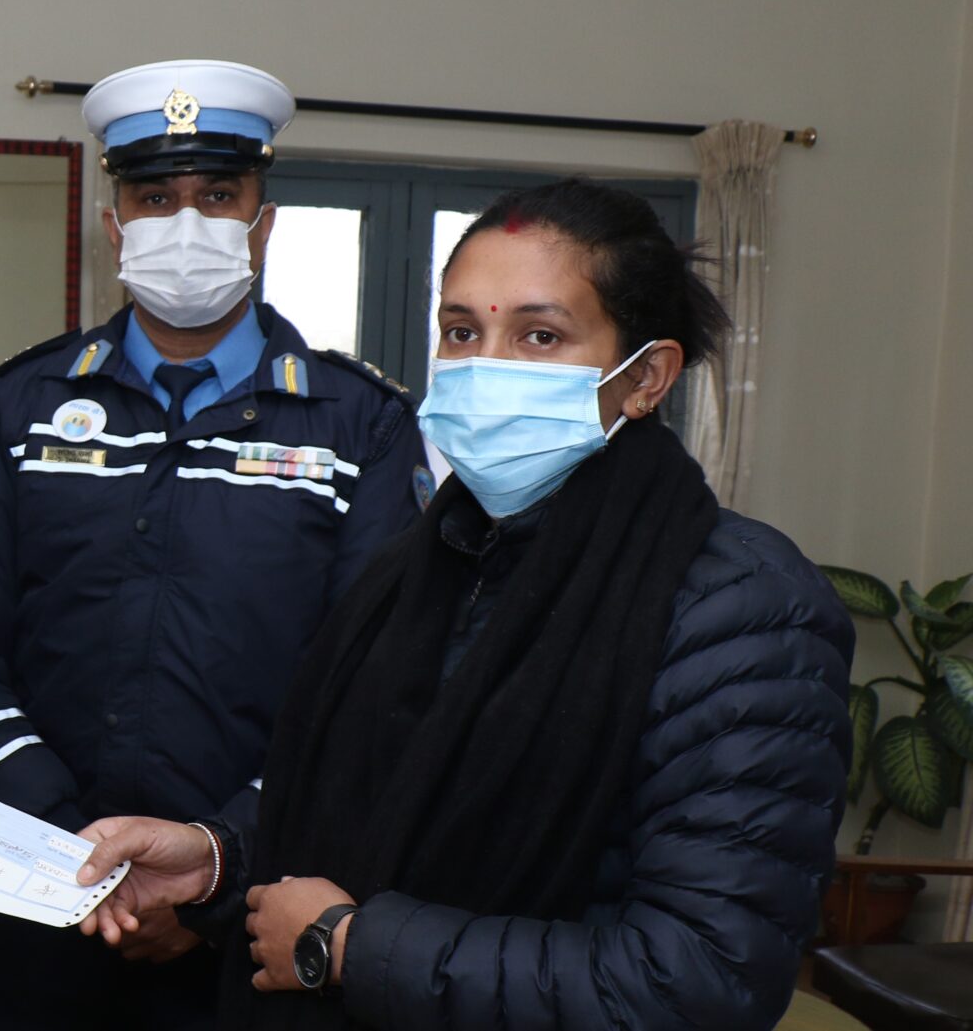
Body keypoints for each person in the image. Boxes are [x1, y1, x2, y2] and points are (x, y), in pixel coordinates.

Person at [71, 177, 853, 1030]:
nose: (486, 366)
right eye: (461, 331)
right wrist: (218, 860)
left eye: (540, 335)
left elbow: (702, 975)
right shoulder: (429, 560)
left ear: (646, 376)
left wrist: (351, 944)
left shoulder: (742, 609)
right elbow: (375, 795)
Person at [0, 60, 421, 1030]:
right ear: (114, 225)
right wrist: (67, 842)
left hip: (259, 909)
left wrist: (214, 863)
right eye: (155, 197)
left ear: (261, 222)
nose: (185, 222)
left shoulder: (358, 421)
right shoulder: (27, 403)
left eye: (217, 195)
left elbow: (374, 681)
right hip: (41, 888)